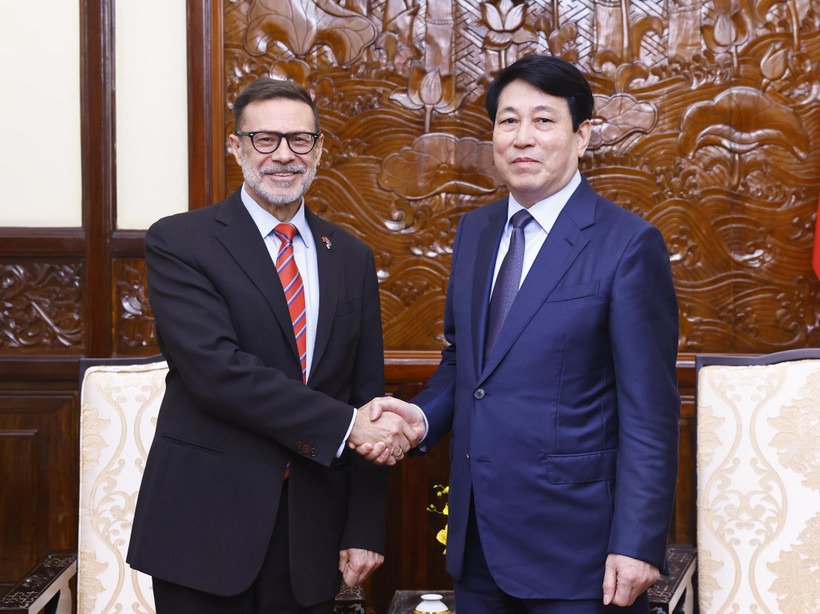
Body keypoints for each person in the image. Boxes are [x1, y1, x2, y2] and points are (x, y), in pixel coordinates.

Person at [355, 55, 680, 613]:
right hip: (478, 540)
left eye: (544, 120)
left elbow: (650, 411)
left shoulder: (628, 245)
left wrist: (637, 542)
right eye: (508, 121)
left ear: (583, 136)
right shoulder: (476, 231)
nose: (522, 138)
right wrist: (423, 416)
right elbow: (467, 364)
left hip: (580, 553)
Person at [126, 78, 419, 614]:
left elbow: (366, 390)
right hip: (205, 524)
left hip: (311, 530)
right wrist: (350, 426)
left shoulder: (349, 254)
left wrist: (364, 525)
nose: (284, 155)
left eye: (299, 140)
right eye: (265, 139)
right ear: (236, 148)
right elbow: (217, 371)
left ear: (319, 149)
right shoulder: (180, 241)